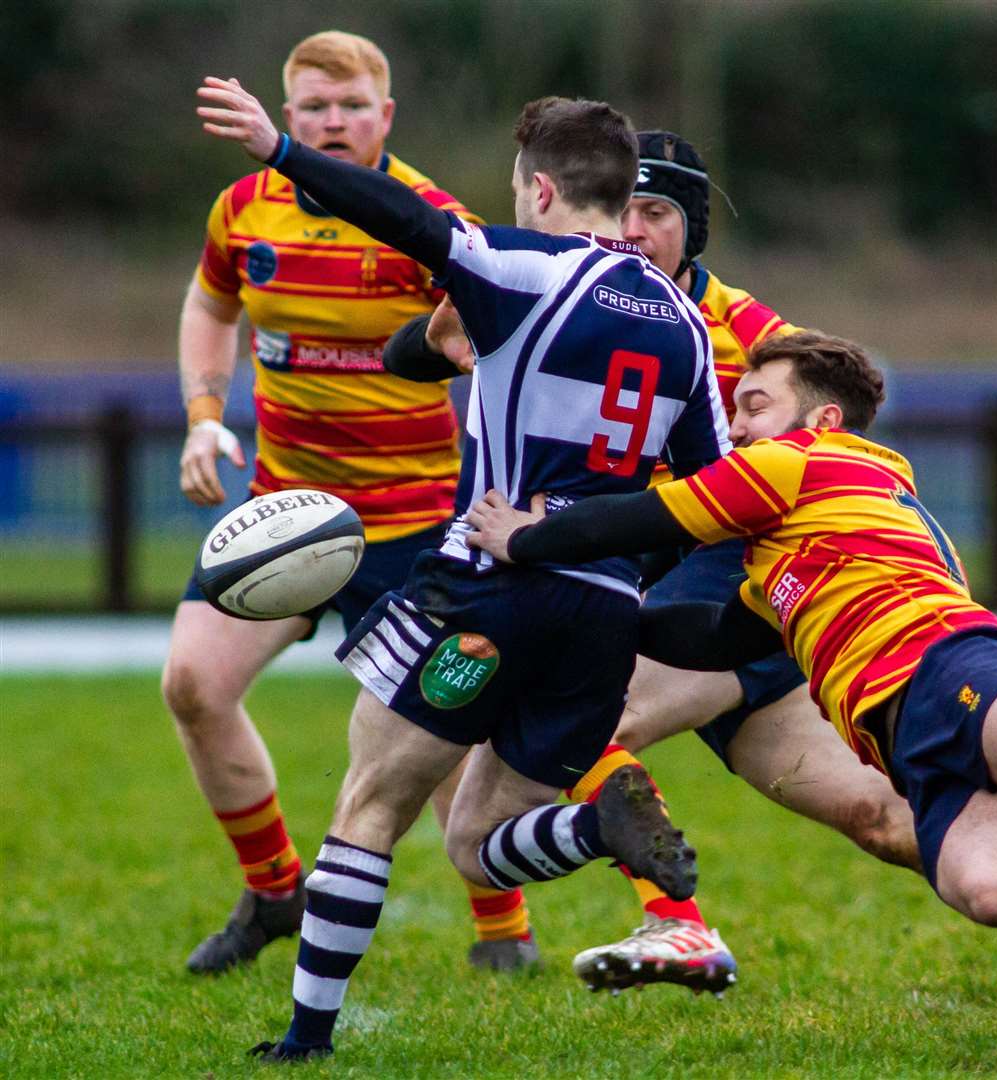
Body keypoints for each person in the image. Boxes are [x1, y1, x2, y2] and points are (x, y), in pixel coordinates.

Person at [396, 132, 997, 1013]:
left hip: (729, 569)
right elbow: (410, 356)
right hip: (718, 607)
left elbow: (839, 447)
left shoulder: (745, 332)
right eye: (620, 207)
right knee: (888, 822)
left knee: (587, 710)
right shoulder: (550, 291)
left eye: (656, 213)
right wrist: (447, 330)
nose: (632, 230)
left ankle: (676, 921)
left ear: (691, 231)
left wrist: (930, 575)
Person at [197, 77, 732, 1060]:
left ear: (535, 189)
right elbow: (706, 498)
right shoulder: (687, 327)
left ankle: (306, 1038)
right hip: (599, 617)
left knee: (372, 802)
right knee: (475, 843)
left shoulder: (521, 269)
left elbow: (402, 215)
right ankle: (591, 832)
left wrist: (281, 150)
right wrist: (593, 540)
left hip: (484, 591)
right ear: (623, 192)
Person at [466, 330, 997, 1015]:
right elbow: (714, 638)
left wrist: (528, 540)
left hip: (948, 666)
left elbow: (646, 518)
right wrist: (602, 614)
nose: (735, 426)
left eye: (754, 404)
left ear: (821, 420)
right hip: (907, 749)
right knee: (992, 890)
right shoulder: (780, 556)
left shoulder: (802, 461)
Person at [162, 30, 536, 976]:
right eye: (316, 109)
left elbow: (503, 342)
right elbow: (211, 306)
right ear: (288, 118)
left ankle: (504, 935)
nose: (334, 123)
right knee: (193, 686)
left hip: (411, 524)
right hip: (282, 516)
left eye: (353, 107)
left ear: (387, 117)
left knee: (441, 735)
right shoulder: (244, 206)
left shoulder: (427, 218)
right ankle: (274, 891)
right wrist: (205, 417)